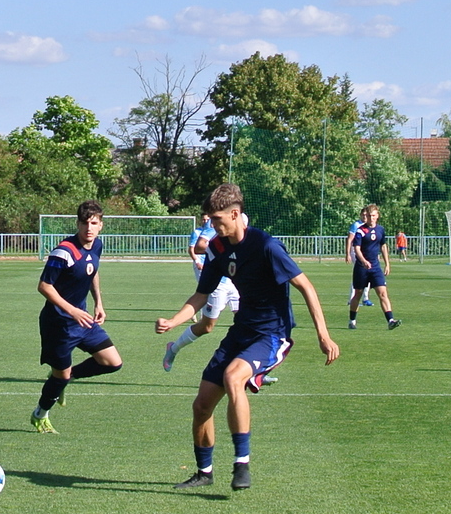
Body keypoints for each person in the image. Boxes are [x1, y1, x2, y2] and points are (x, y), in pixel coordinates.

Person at [155, 184, 339, 491]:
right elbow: (201, 294)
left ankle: (242, 465)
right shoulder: (218, 247)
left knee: (233, 376)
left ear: (235, 214)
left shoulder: (266, 246)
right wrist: (174, 320)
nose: (212, 225)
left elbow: (306, 286)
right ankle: (204, 473)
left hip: (272, 334)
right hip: (241, 331)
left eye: (217, 219)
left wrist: (324, 335)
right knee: (201, 405)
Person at [30, 201, 123, 433]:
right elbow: (44, 286)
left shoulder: (97, 245)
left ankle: (67, 378)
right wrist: (71, 310)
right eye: (84, 223)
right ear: (78, 224)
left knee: (113, 362)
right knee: (59, 377)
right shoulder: (64, 251)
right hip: (58, 324)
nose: (89, 228)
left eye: (93, 223)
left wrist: (98, 302)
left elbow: (93, 271)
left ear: (101, 225)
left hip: (82, 320)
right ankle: (40, 414)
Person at [163, 207, 241, 372]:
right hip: (218, 282)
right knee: (207, 326)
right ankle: (173, 348)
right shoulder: (215, 226)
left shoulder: (242, 222)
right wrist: (223, 251)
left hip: (235, 283)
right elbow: (199, 246)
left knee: (246, 321)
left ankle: (254, 368)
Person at [347, 205, 399, 330]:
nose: (371, 218)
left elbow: (383, 246)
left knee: (383, 293)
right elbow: (357, 248)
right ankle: (352, 320)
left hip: (375, 267)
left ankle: (390, 320)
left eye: (373, 216)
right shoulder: (361, 230)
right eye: (369, 216)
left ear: (377, 216)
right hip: (361, 268)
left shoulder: (381, 229)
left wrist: (387, 264)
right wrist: (363, 261)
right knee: (358, 294)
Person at [344, 214, 372, 306]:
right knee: (359, 274)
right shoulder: (356, 225)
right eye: (363, 215)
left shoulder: (370, 226)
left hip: (366, 252)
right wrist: (348, 253)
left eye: (366, 215)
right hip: (356, 251)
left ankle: (365, 298)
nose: (365, 217)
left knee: (368, 274)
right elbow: (349, 239)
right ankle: (351, 299)